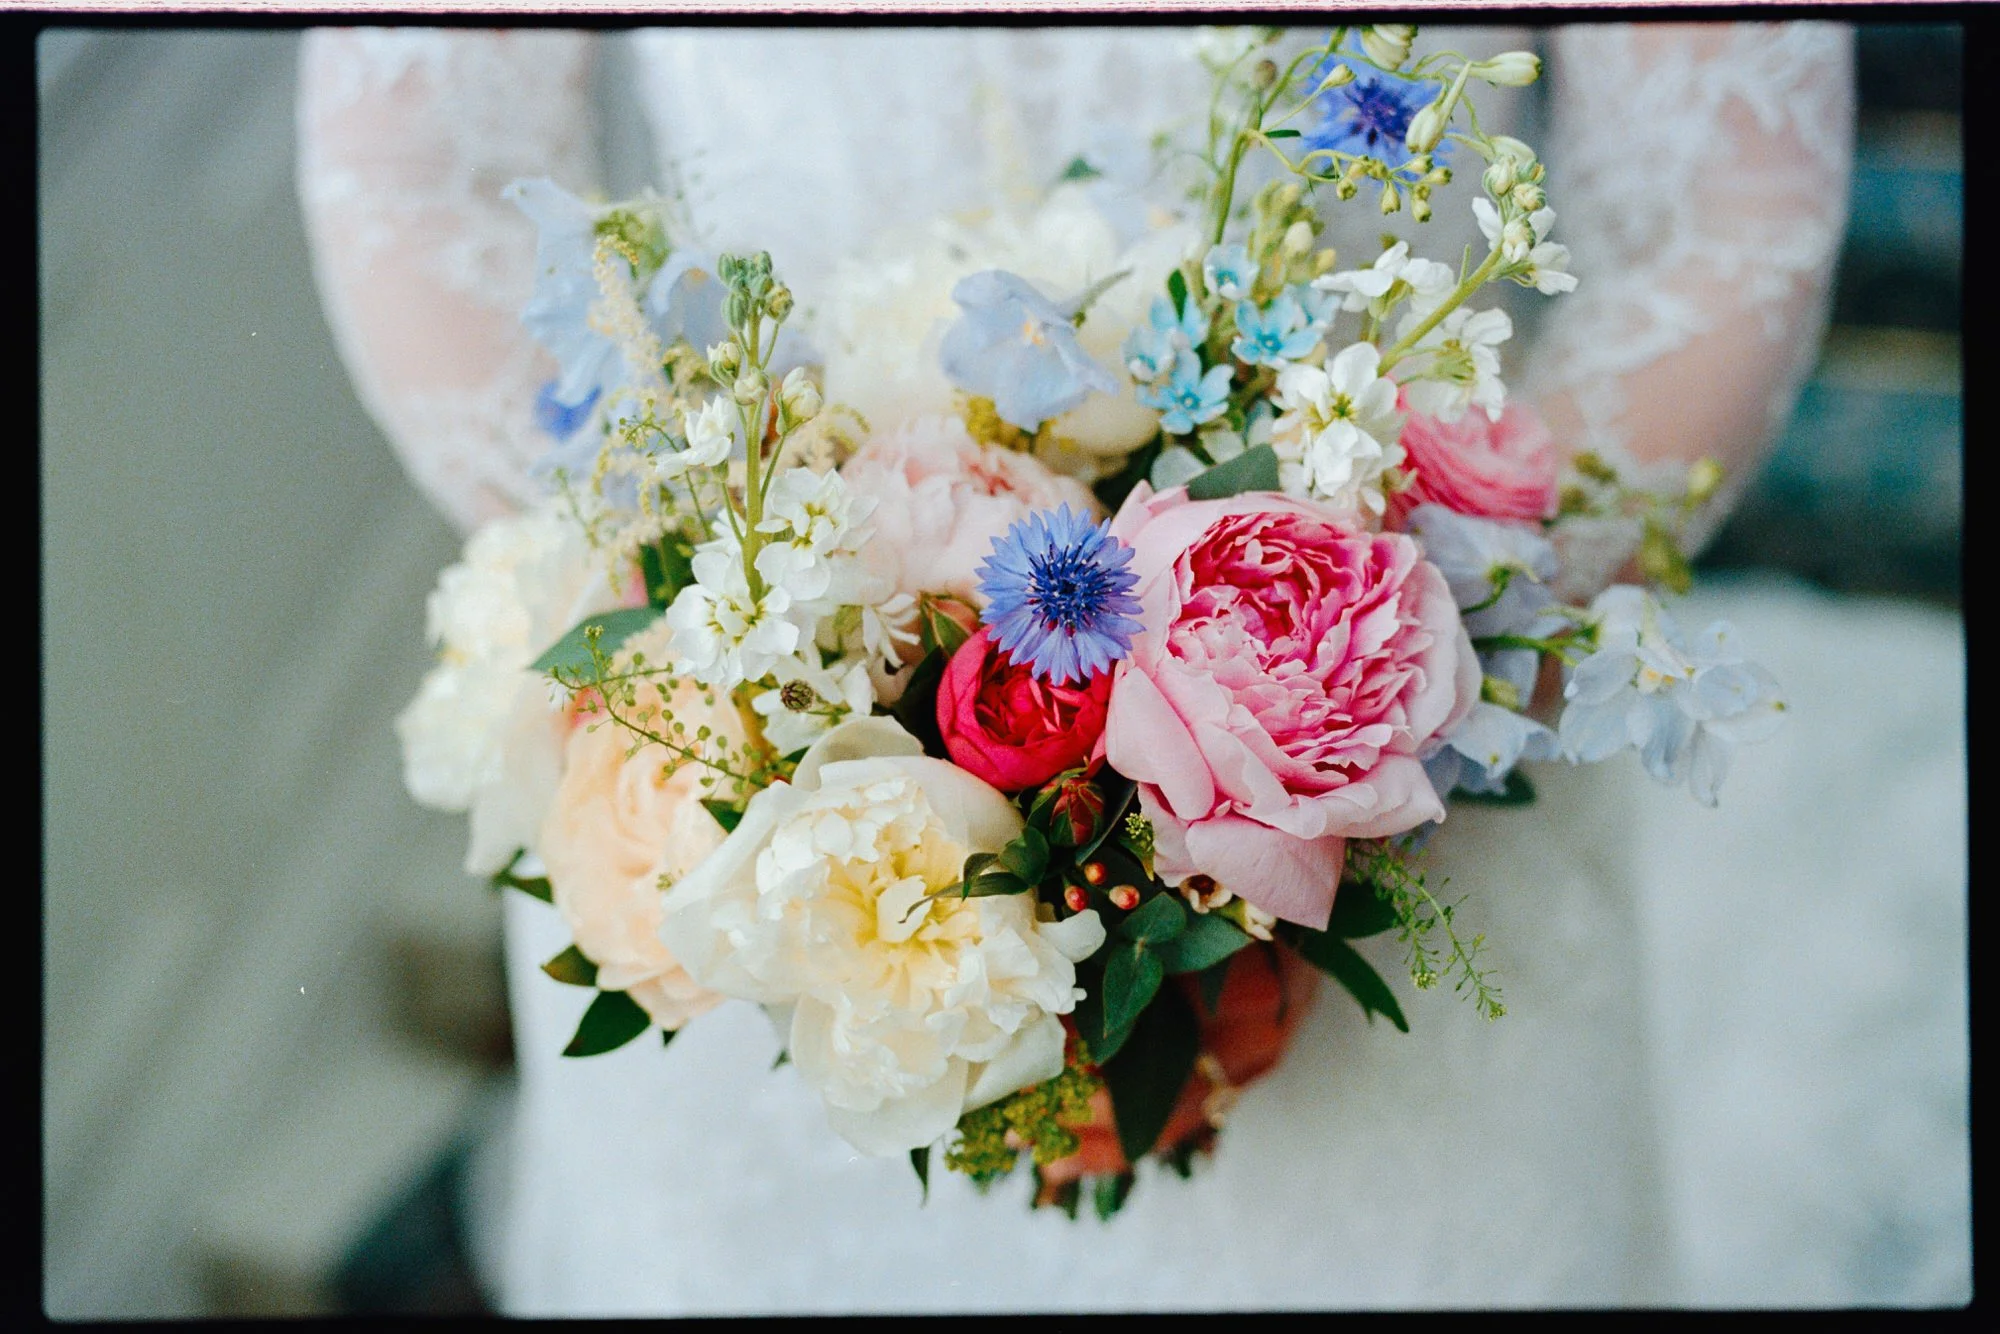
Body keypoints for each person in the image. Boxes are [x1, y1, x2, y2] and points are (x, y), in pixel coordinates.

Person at [297, 22, 1962, 1312]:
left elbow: (1716, 202)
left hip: (1396, 777)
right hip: (774, 849)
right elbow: (418, 170)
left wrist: (1373, 646)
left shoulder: (1384, 661)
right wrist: (747, 632)